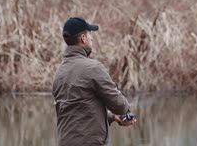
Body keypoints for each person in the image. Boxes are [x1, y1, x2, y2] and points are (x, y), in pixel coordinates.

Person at [52, 16, 137, 146]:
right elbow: (118, 103)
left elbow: (78, 110)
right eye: (89, 34)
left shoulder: (60, 72)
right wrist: (126, 112)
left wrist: (113, 117)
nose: (92, 38)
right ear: (83, 38)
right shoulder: (93, 68)